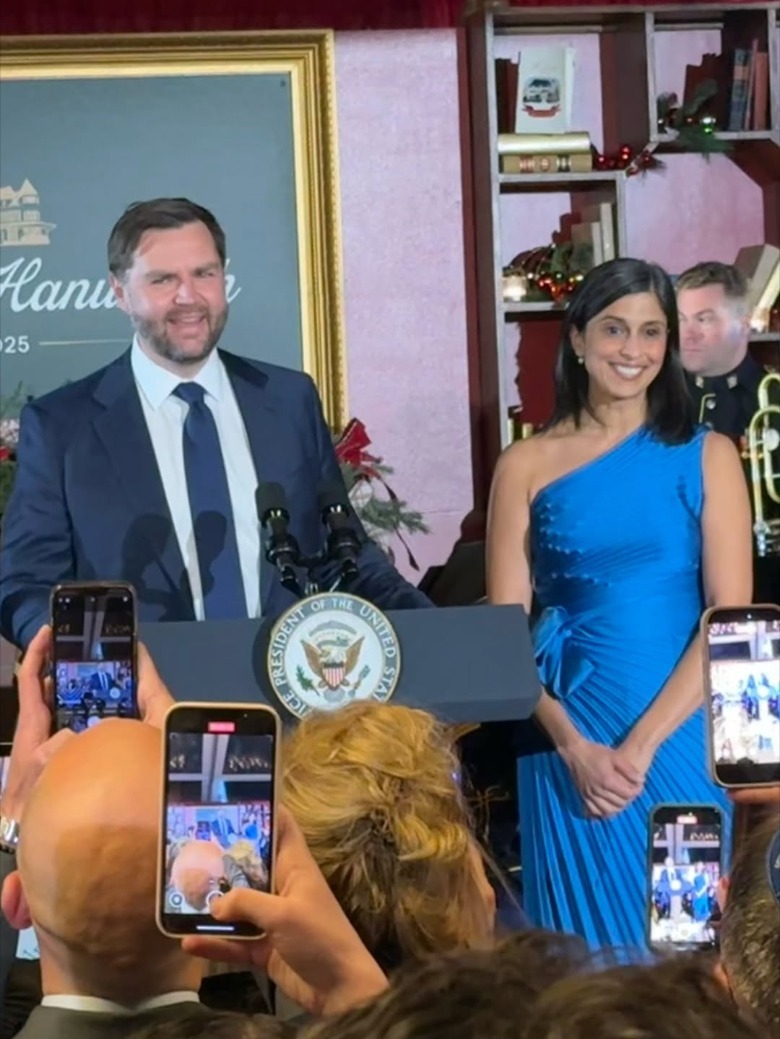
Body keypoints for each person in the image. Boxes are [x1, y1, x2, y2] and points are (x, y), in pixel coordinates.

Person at [0, 197, 431, 650]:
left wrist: (434, 629)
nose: (189, 297)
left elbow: (343, 556)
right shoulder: (62, 427)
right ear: (120, 292)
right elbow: (25, 583)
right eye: (164, 279)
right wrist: (78, 654)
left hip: (292, 700)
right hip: (140, 706)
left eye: (204, 274)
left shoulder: (288, 401)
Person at [486, 258, 752, 949]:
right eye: (614, 329)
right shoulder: (524, 465)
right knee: (578, 976)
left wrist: (639, 747)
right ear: (576, 338)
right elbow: (503, 630)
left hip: (678, 743)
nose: (632, 351)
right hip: (564, 749)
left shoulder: (708, 454)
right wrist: (573, 745)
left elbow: (729, 622)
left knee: (686, 956)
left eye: (651, 332)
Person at [676, 261, 780, 604]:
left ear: (744, 323)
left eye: (704, 319)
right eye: (681, 319)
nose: (687, 333)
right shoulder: (658, 404)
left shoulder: (773, 395)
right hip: (681, 588)